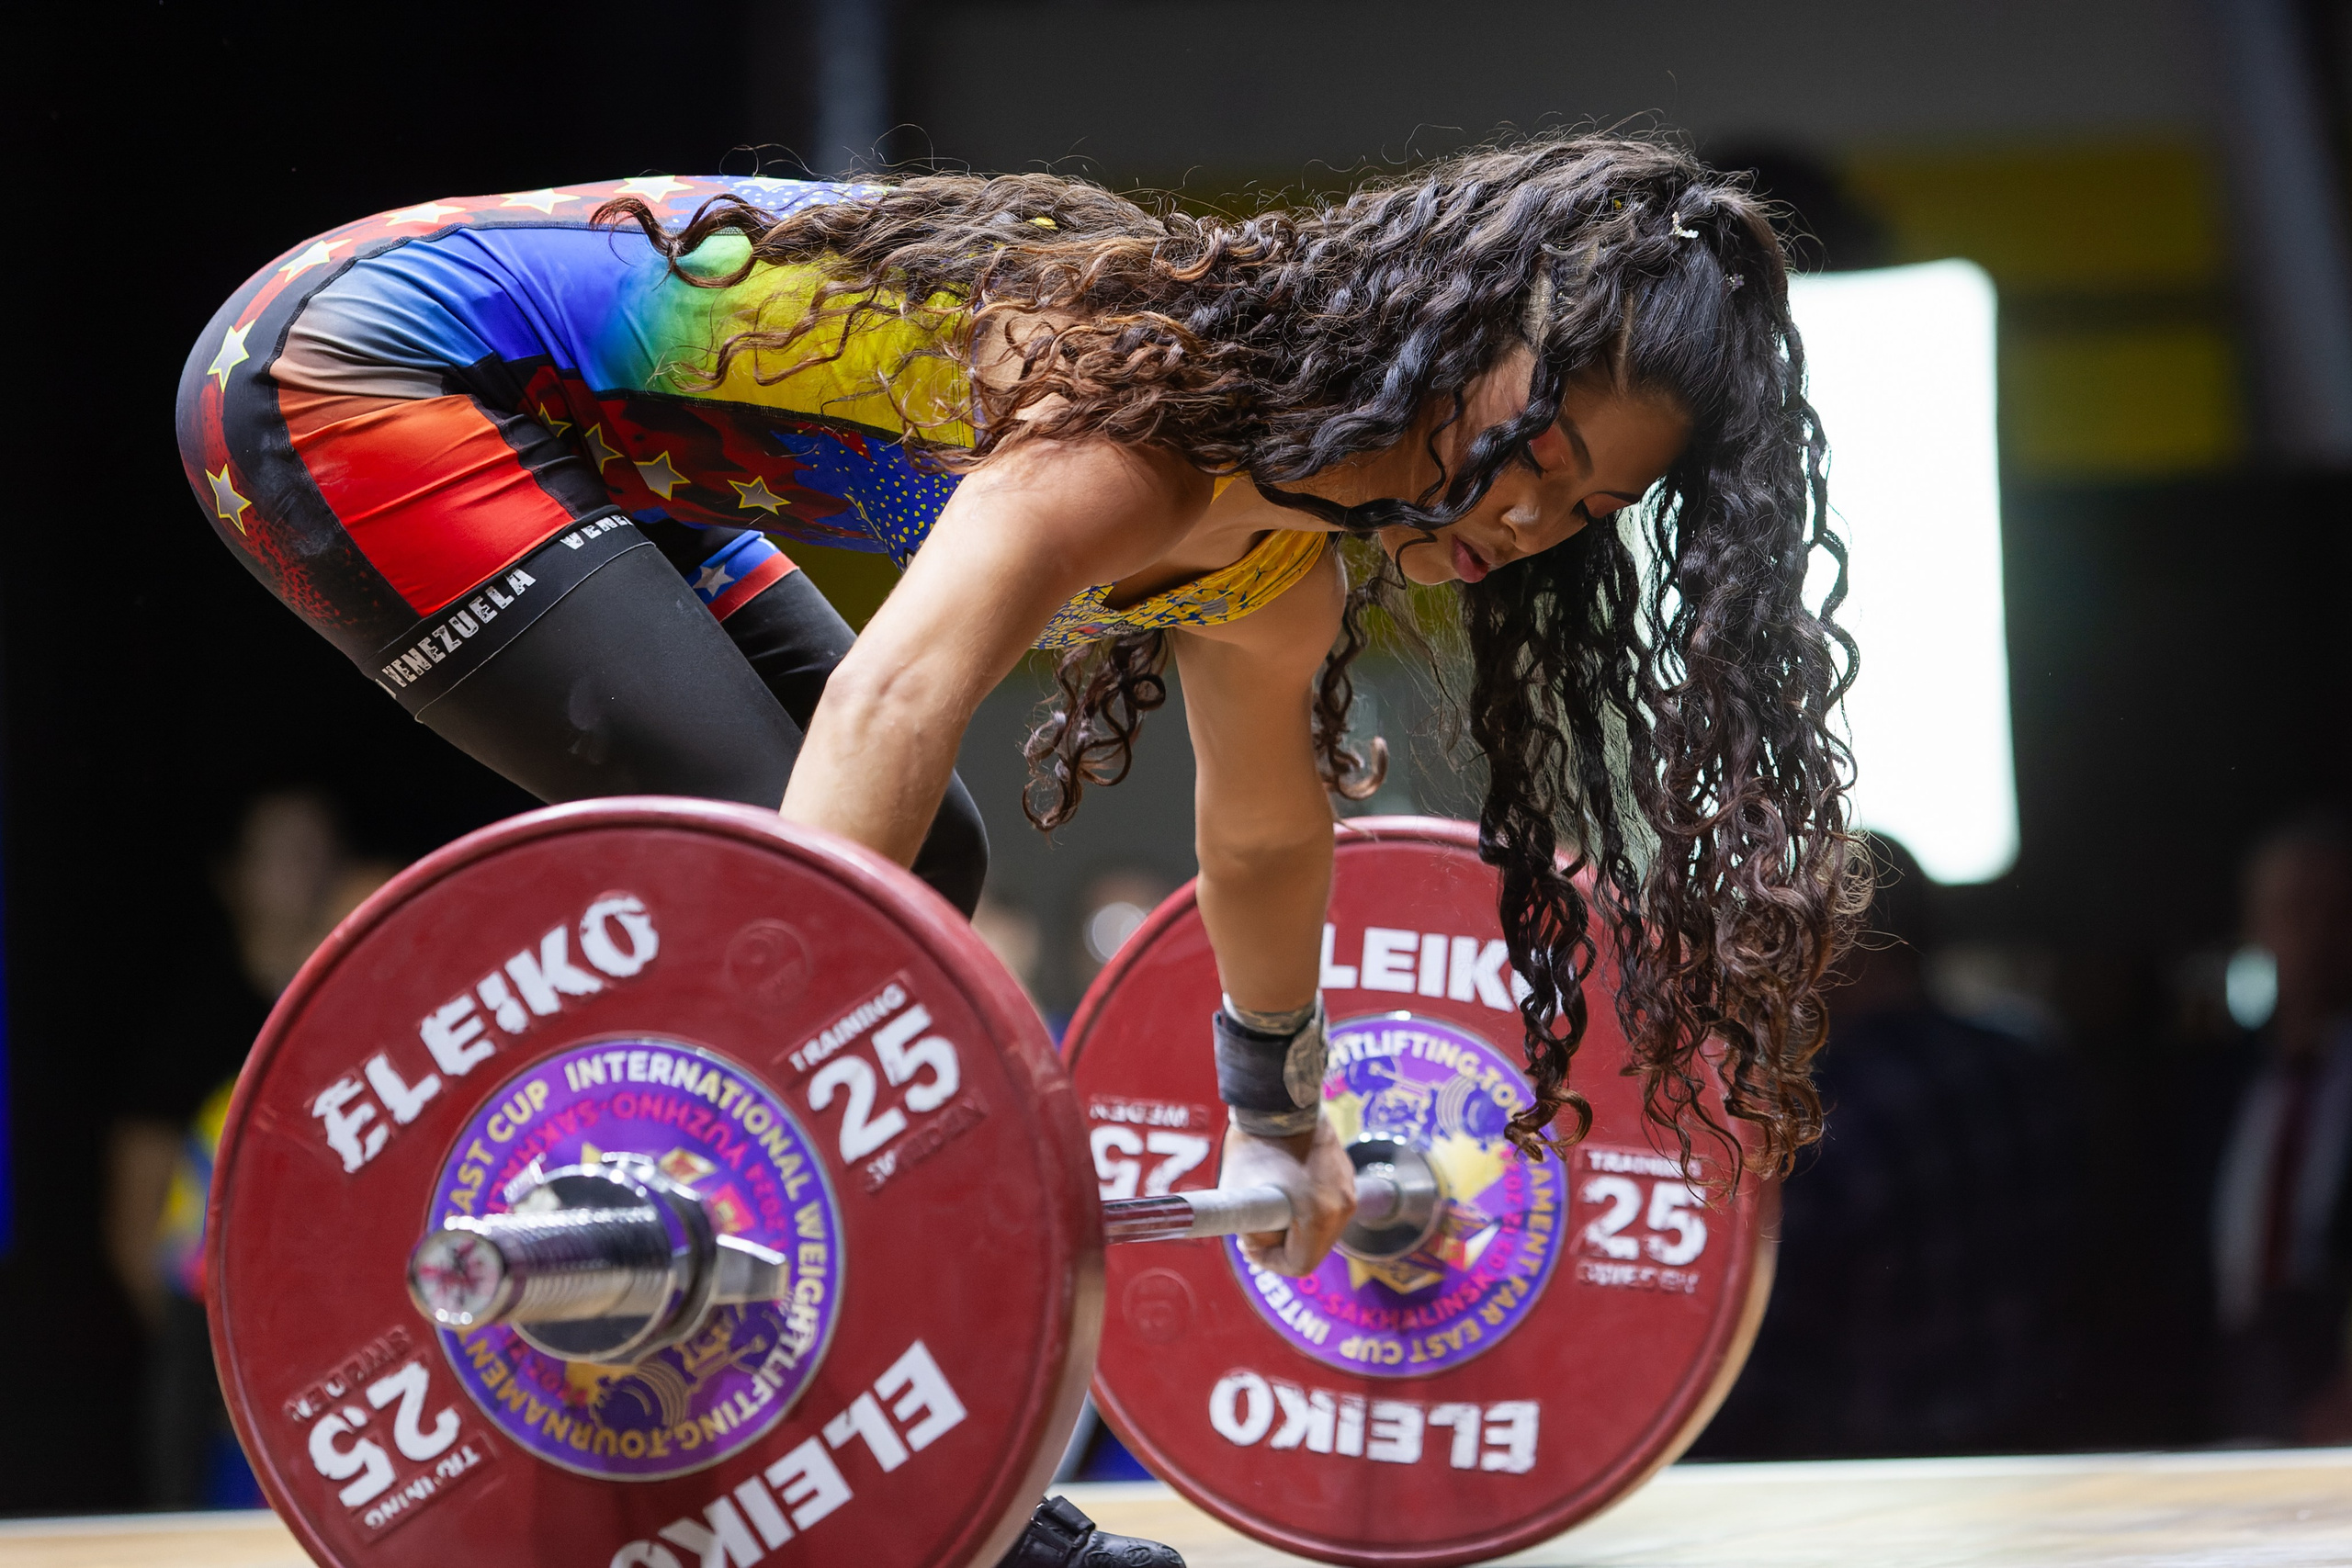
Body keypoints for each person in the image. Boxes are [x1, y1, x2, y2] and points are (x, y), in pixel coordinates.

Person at [176, 135, 1858, 1565]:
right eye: (1541, 456)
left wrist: (1283, 1114)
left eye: (1577, 513)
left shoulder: (1285, 559)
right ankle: (881, 1443)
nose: (1522, 521)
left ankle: (811, 1422)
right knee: (828, 898)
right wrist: (752, 1104)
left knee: (932, 872)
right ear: (1477, 323)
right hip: (355, 371)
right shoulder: (1140, 404)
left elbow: (1266, 838)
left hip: (597, 446)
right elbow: (904, 685)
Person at [1689, 837, 2084, 1458]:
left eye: (1795, 931)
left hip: (1880, 1464)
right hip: (2039, 1440)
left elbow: (1763, 1329)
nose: (1777, 960)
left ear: (1845, 943)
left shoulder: (1824, 1113)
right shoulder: (2024, 1063)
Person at [106, 792, 395, 1506]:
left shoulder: (387, 1030)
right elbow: (148, 1243)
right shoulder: (203, 1039)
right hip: (230, 1368)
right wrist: (235, 1371)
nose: (311, 873)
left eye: (323, 855)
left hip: (359, 1374)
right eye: (285, 854)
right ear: (233, 875)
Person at [2207, 807, 2352, 1442]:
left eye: (2337, 909)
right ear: (2255, 924)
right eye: (2292, 910)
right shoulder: (2218, 1075)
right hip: (2226, 1370)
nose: (2316, 934)